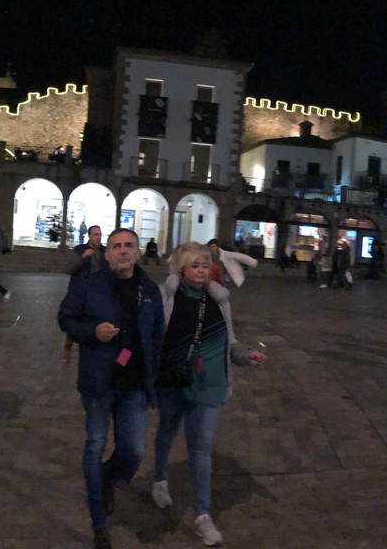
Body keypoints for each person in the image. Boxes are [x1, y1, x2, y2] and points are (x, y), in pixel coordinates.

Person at [150, 242, 264, 547]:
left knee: (200, 449)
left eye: (204, 265)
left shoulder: (219, 300)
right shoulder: (167, 298)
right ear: (180, 268)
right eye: (194, 265)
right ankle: (160, 479)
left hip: (210, 384)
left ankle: (202, 515)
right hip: (173, 381)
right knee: (167, 430)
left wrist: (246, 354)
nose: (200, 271)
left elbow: (230, 342)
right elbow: (151, 338)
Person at [57, 229, 164, 549]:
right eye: (116, 246)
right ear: (107, 253)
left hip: (134, 386)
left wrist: (156, 378)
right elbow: (65, 318)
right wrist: (91, 331)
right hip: (98, 382)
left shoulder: (149, 289)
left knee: (133, 451)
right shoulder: (89, 285)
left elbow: (157, 335)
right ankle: (99, 523)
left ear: (137, 252)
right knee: (95, 444)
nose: (122, 251)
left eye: (128, 246)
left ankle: (106, 478)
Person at [62, 225, 107, 362]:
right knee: (74, 322)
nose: (98, 237)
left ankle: (92, 351)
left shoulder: (105, 251)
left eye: (99, 234)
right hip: (80, 293)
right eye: (95, 234)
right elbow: (68, 269)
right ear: (89, 236)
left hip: (98, 293)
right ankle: (67, 350)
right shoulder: (80, 250)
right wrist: (82, 257)